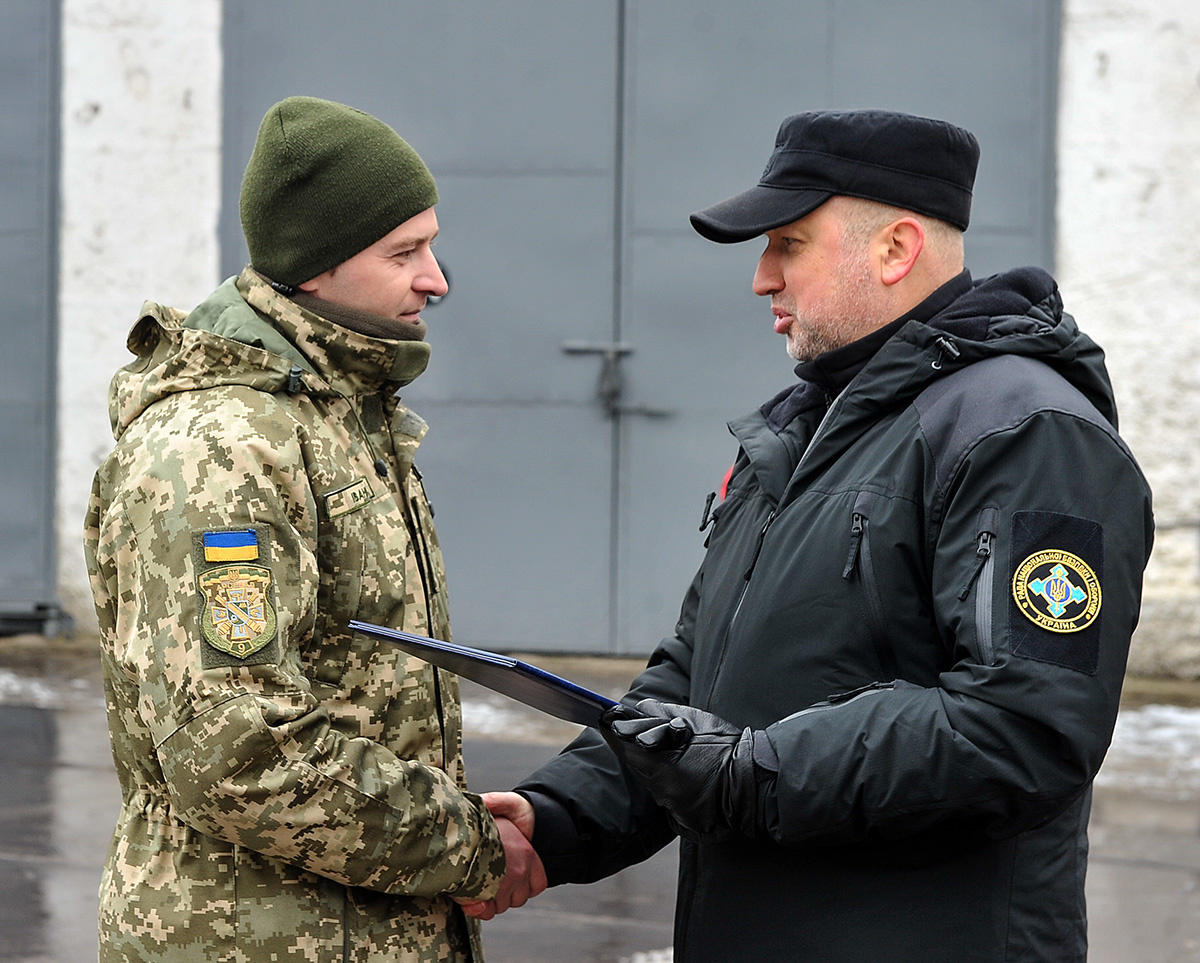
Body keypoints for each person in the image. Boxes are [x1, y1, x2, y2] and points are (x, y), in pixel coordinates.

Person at [472, 110, 1155, 961]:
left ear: (896, 248)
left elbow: (1022, 727)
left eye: (788, 244)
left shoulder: (1025, 434)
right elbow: (697, 677)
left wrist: (757, 773)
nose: (763, 278)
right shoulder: (800, 429)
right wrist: (560, 818)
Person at [83, 96, 544, 962]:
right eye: (403, 252)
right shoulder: (223, 449)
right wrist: (465, 846)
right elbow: (238, 748)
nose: (436, 279)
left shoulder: (331, 417)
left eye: (431, 246)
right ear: (315, 267)